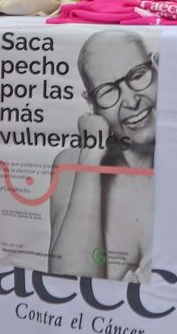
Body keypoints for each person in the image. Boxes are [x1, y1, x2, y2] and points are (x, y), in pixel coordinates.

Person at [49, 30, 157, 281]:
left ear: (157, 68)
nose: (130, 101)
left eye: (138, 76)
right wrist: (90, 158)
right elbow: (68, 283)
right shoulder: (71, 163)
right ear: (90, 103)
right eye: (108, 91)